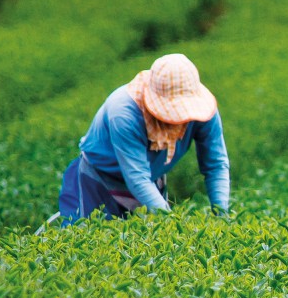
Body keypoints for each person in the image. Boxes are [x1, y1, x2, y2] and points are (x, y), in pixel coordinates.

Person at [58, 53, 229, 224]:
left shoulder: (203, 111)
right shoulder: (123, 112)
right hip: (99, 179)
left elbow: (216, 165)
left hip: (151, 178)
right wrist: (173, 223)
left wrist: (221, 215)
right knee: (92, 237)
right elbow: (137, 177)